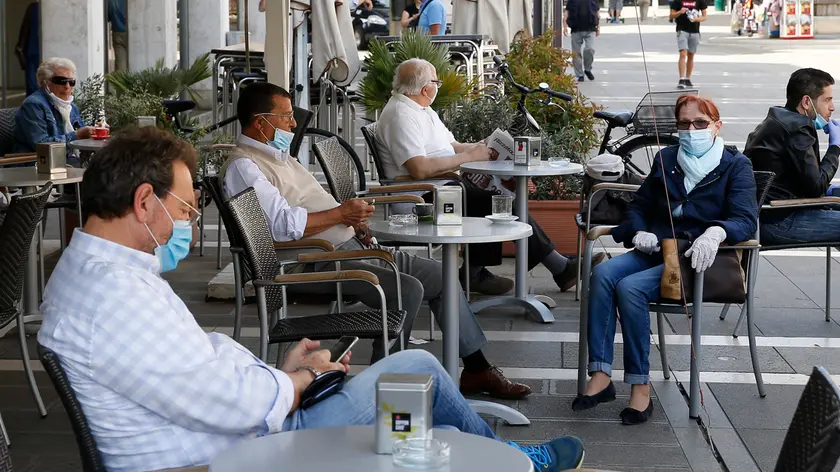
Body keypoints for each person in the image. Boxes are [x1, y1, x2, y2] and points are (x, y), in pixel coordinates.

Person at [37, 126, 585, 472]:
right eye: (184, 211)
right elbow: (216, 397)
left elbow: (189, 368)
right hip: (229, 451)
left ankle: (492, 457)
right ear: (143, 203)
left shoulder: (94, 273)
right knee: (415, 371)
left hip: (232, 425)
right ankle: (511, 463)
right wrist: (294, 386)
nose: (187, 222)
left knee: (416, 417)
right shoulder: (116, 296)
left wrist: (279, 371)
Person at [221, 82, 532, 400]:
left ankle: (477, 368)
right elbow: (282, 225)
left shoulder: (278, 154)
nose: (292, 124)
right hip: (311, 260)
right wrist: (342, 214)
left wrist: (352, 223)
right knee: (406, 289)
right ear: (261, 122)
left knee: (440, 275)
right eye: (285, 117)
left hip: (345, 247)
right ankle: (380, 391)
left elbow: (310, 206)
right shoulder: (245, 167)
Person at [574, 95, 757, 425]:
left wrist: (716, 232)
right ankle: (600, 374)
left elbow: (746, 218)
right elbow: (640, 206)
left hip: (696, 260)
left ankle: (640, 388)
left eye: (700, 123)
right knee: (603, 274)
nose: (691, 129)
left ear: (717, 126)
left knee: (629, 288)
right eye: (684, 124)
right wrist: (638, 231)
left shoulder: (735, 165)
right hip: (656, 250)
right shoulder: (666, 158)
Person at [375, 59, 605, 295]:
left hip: (443, 187)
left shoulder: (422, 109)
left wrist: (478, 148)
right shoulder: (400, 116)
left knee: (499, 198)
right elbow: (419, 169)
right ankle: (487, 272)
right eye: (437, 81)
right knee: (496, 203)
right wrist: (469, 158)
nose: (438, 86)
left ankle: (482, 271)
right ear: (426, 89)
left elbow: (451, 146)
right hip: (422, 200)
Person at [744, 68, 840, 245]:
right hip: (779, 219)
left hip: (768, 213)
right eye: (827, 100)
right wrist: (835, 148)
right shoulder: (797, 128)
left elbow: (807, 180)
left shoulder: (779, 119)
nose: (832, 107)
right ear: (806, 102)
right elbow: (816, 186)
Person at [13, 57, 94, 166]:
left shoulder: (71, 106)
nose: (67, 87)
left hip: (65, 160)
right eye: (61, 81)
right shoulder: (33, 104)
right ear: (46, 83)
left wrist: (95, 132)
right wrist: (77, 135)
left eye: (71, 82)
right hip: (36, 164)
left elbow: (82, 132)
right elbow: (41, 145)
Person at [670, 0, 707, 89]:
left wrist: (697, 19)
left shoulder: (700, 1)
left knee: (691, 55)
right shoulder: (678, 1)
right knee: (683, 53)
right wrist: (680, 12)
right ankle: (681, 78)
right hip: (682, 30)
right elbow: (671, 15)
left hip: (694, 31)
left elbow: (705, 16)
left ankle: (687, 78)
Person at [564, 0, 600, 82]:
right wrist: (565, 27)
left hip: (590, 29)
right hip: (576, 29)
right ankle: (580, 75)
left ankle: (587, 69)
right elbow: (567, 12)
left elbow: (597, 14)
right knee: (576, 54)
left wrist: (598, 28)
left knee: (590, 49)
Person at [15, 1, 40, 96]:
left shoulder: (34, 8)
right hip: (34, 50)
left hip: (32, 50)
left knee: (33, 86)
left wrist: (20, 46)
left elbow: (25, 27)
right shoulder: (35, 8)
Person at [108, 0, 128, 72]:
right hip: (133, 32)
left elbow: (107, 17)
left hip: (118, 33)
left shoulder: (111, 1)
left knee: (120, 66)